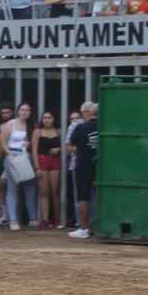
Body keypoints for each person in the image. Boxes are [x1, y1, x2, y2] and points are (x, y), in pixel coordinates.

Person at [0, 102, 38, 231]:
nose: (24, 112)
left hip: (27, 156)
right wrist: (9, 154)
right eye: (22, 110)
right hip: (13, 156)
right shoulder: (11, 124)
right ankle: (13, 219)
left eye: (27, 110)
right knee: (12, 189)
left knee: (30, 188)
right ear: (18, 111)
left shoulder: (32, 126)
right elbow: (2, 141)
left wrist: (29, 144)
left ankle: (33, 218)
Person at [68, 102, 98, 239]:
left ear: (90, 113)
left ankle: (84, 228)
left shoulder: (81, 127)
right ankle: (100, 227)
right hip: (101, 166)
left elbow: (71, 144)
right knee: (102, 197)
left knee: (83, 198)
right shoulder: (105, 127)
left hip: (83, 166)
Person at [32, 110, 62, 231]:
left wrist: (58, 149)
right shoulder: (37, 132)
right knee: (44, 191)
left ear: (54, 119)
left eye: (50, 117)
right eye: (45, 118)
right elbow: (34, 150)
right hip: (42, 160)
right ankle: (46, 219)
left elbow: (64, 145)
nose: (47, 120)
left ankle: (58, 218)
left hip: (55, 160)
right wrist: (37, 167)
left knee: (55, 191)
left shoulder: (59, 131)